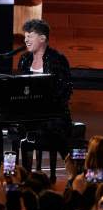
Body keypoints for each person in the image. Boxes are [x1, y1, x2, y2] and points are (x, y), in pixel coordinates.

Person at [17, 19, 72, 181]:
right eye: (25, 36)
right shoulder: (24, 59)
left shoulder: (57, 59)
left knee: (53, 129)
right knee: (19, 127)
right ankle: (23, 178)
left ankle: (74, 175)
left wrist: (44, 107)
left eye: (30, 36)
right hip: (30, 114)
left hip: (54, 114)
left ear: (42, 38)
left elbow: (65, 91)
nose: (26, 40)